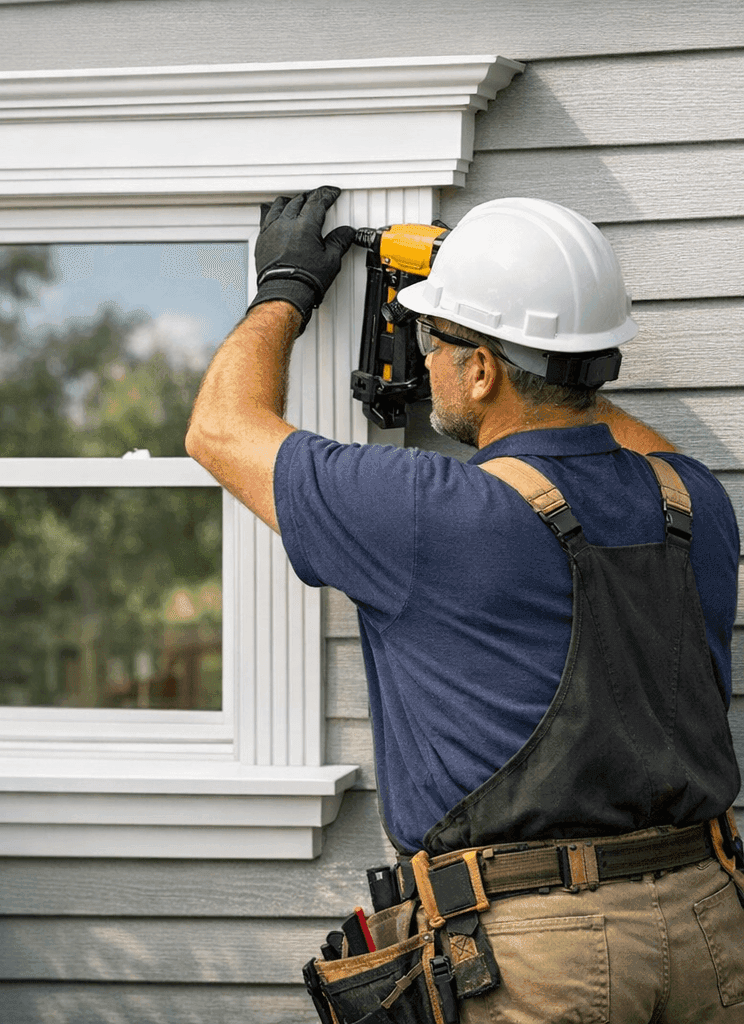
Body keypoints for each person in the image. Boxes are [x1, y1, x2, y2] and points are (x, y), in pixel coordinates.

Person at [186, 186, 744, 1021]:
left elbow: (220, 428)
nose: (425, 357)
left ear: (481, 369)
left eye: (434, 339)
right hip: (711, 925)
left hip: (545, 959)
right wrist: (527, 328)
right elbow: (595, 427)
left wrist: (284, 290)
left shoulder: (428, 511)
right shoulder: (694, 502)